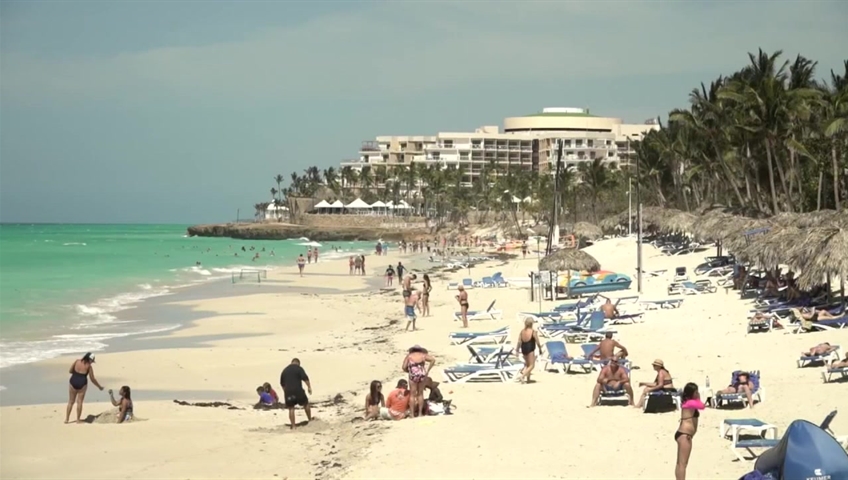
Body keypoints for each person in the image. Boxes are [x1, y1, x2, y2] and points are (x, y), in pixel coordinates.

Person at [674, 383, 704, 480]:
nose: (697, 393)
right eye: (696, 392)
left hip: (683, 434)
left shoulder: (687, 402)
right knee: (683, 464)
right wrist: (698, 398)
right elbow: (702, 406)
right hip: (685, 435)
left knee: (680, 463)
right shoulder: (691, 402)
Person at [65, 352, 104, 424]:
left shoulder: (77, 361)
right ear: (89, 359)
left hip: (73, 381)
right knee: (79, 402)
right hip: (82, 384)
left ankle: (67, 419)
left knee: (71, 401)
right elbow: (92, 379)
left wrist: (77, 373)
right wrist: (99, 387)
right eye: (92, 361)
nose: (92, 363)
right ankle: (78, 420)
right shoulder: (89, 367)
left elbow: (70, 371)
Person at [402, 346, 436, 418]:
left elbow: (404, 367)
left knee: (412, 394)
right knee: (420, 393)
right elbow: (433, 360)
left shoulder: (409, 356)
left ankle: (412, 414)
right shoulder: (423, 355)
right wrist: (428, 370)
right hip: (422, 374)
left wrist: (408, 371)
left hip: (413, 375)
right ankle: (420, 413)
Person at [280, 358, 313, 429]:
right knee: (305, 403)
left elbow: (282, 384)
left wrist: (285, 392)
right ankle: (309, 419)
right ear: (298, 363)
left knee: (291, 408)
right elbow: (305, 378)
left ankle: (293, 425)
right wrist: (309, 387)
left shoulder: (284, 370)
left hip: (288, 392)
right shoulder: (299, 368)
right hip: (298, 390)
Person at [514, 318, 544, 384]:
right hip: (530, 347)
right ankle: (523, 376)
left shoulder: (522, 331)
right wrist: (540, 349)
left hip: (523, 347)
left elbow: (519, 341)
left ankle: (528, 379)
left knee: (528, 364)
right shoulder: (533, 331)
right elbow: (537, 341)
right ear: (531, 323)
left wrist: (517, 350)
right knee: (532, 365)